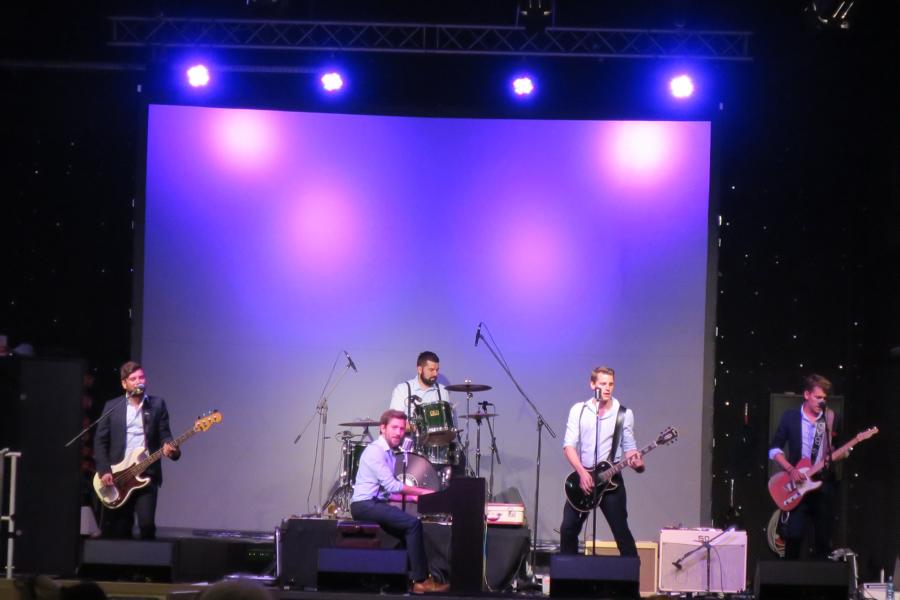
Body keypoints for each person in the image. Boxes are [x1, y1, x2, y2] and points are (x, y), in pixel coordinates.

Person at [350, 409, 450, 594]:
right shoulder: (375, 451)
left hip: (374, 503)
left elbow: (386, 492)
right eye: (394, 427)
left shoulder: (388, 453)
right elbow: (392, 485)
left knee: (408, 531)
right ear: (383, 428)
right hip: (363, 506)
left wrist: (416, 498)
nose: (398, 432)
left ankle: (394, 581)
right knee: (413, 525)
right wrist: (424, 492)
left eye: (402, 429)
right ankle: (421, 581)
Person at [559, 366, 643, 556]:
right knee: (568, 528)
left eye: (611, 384)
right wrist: (582, 473)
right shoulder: (579, 410)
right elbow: (568, 446)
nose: (607, 388)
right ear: (592, 384)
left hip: (611, 480)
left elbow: (630, 447)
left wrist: (637, 462)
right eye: (603, 384)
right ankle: (569, 573)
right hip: (584, 479)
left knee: (621, 531)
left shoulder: (624, 414)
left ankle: (630, 573)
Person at [94, 361, 180, 539]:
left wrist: (170, 448)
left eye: (141, 377)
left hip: (146, 472)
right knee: (119, 529)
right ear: (124, 383)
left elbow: (165, 435)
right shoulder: (112, 407)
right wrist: (104, 470)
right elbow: (100, 441)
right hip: (119, 476)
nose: (138, 381)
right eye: (133, 379)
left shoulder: (157, 405)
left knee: (147, 526)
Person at [769, 373, 843, 560]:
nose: (822, 401)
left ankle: (822, 574)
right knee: (794, 535)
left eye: (824, 398)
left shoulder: (831, 419)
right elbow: (774, 449)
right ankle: (790, 574)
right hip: (798, 483)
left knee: (823, 538)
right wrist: (790, 469)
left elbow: (840, 449)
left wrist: (837, 453)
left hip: (823, 483)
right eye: (818, 397)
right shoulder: (790, 418)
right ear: (806, 394)